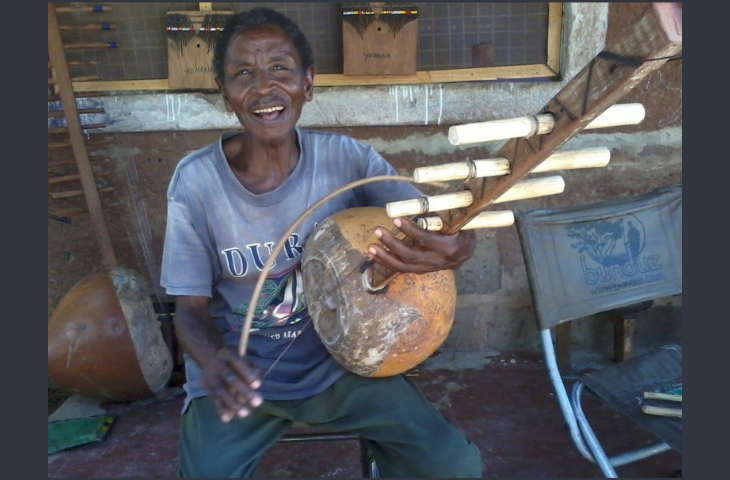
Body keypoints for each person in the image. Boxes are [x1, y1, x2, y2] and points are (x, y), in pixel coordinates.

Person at [161, 7, 482, 478]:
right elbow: (188, 311)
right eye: (243, 74)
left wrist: (459, 247)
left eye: (280, 70)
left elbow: (435, 225)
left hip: (342, 362)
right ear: (226, 94)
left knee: (450, 466)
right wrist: (215, 362)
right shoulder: (195, 182)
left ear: (307, 84)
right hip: (243, 377)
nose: (264, 88)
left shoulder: (348, 160)